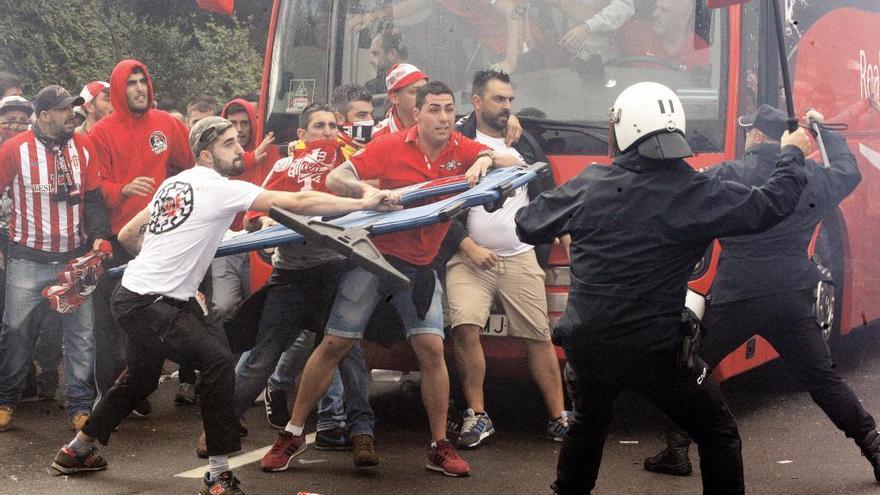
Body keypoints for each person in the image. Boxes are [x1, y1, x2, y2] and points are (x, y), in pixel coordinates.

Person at [49, 116, 399, 495]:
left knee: (141, 378)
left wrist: (161, 266)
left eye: (237, 141)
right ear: (205, 154)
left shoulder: (174, 183)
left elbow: (129, 233)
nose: (239, 149)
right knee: (217, 361)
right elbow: (298, 201)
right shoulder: (219, 188)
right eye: (229, 144)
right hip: (152, 301)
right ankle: (218, 475)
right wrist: (363, 201)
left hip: (132, 294)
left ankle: (76, 451)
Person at [514, 81, 812, 494]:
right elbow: (771, 205)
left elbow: (527, 223)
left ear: (624, 131)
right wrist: (792, 151)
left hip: (589, 343)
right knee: (717, 430)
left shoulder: (590, 183)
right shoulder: (695, 191)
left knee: (588, 424)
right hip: (655, 350)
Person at [258, 81, 520, 477]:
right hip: (374, 259)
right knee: (335, 343)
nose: (444, 118)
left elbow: (516, 164)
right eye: (434, 109)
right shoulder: (391, 145)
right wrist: (367, 193)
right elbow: (336, 179)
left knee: (432, 349)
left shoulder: (460, 150)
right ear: (417, 114)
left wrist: (487, 160)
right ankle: (293, 433)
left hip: (420, 267)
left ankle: (438, 446)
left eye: (449, 109)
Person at [643, 104, 880, 485]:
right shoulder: (812, 176)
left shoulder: (728, 174)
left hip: (737, 293)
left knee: (691, 367)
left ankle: (676, 448)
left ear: (754, 135)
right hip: (792, 294)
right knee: (823, 380)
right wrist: (823, 131)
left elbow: (680, 199)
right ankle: (874, 446)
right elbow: (848, 171)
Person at [222, 102, 379, 467]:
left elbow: (374, 201)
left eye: (332, 126)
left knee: (350, 356)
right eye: (319, 126)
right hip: (291, 274)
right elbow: (254, 211)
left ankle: (361, 434)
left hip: (336, 269)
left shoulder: (351, 165)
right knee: (262, 356)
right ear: (301, 134)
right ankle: (221, 423)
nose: (327, 132)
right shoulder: (282, 166)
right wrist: (259, 225)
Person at [441, 69, 568, 449]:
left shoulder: (523, 139)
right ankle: (477, 415)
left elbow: (545, 187)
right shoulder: (455, 141)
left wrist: (563, 232)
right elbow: (441, 205)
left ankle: (559, 417)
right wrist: (467, 247)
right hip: (469, 256)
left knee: (539, 337)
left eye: (510, 100)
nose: (506, 107)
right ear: (477, 101)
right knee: (464, 327)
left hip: (520, 254)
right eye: (498, 100)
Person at [0, 85, 112, 432]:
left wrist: (100, 237)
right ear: (44, 115)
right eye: (64, 110)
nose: (72, 115)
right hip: (26, 258)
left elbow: (93, 197)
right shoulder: (13, 150)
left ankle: (79, 406)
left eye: (74, 109)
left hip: (74, 260)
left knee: (81, 336)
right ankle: (5, 399)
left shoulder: (84, 145)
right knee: (16, 332)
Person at [90, 59, 194, 415]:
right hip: (120, 239)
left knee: (165, 314)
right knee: (113, 319)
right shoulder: (101, 132)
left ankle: (143, 385)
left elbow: (190, 166)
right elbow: (96, 185)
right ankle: (111, 390)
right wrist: (123, 189)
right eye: (132, 83)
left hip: (163, 237)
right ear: (119, 90)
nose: (139, 88)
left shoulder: (167, 123)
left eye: (143, 81)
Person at [365, 25, 409, 95]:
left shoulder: (374, 89)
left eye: (375, 54)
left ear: (392, 54)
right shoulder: (417, 83)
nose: (371, 61)